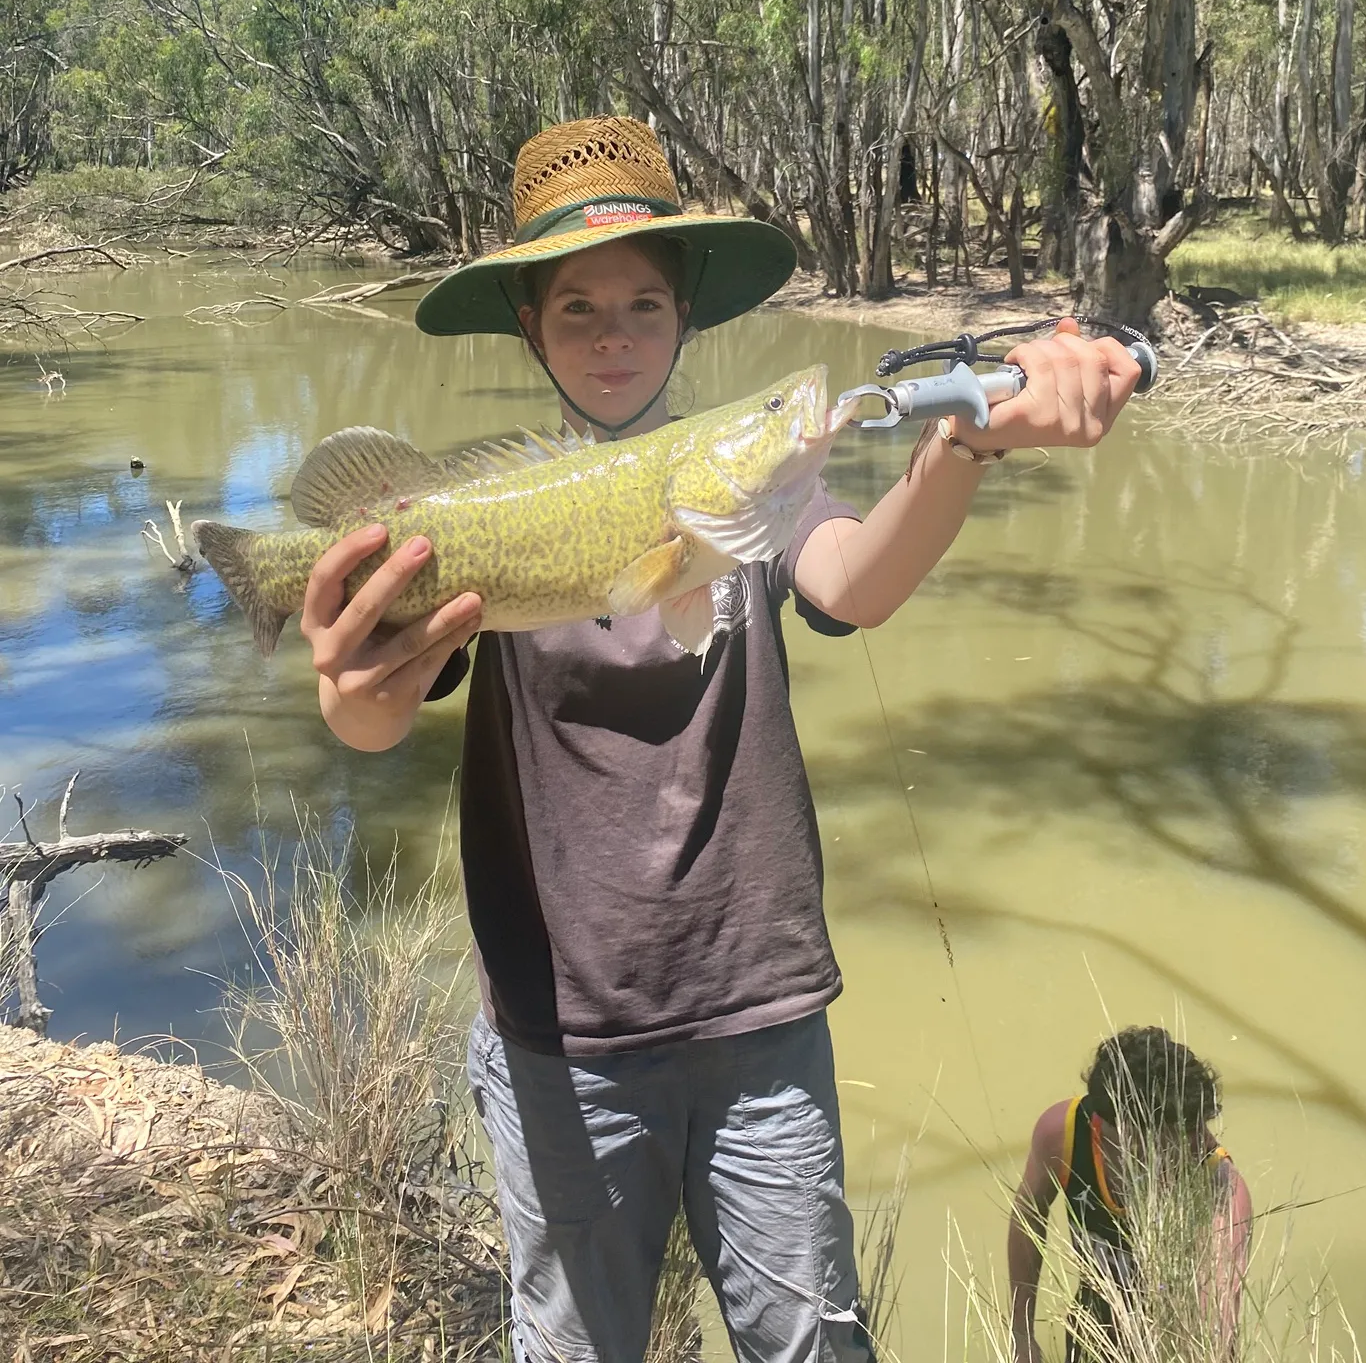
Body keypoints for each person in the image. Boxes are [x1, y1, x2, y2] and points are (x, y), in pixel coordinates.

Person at [299, 117, 1142, 1363]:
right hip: (563, 1034)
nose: (613, 332)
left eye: (644, 302)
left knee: (810, 1343)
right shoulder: (495, 509)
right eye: (577, 307)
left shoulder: (750, 490)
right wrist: (349, 665)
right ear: (530, 327)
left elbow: (854, 580)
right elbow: (367, 720)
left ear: (684, 318)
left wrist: (963, 441)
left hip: (761, 1010)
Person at [1008, 1027, 1253, 1363]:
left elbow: (1216, 1330)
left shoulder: (1219, 1188)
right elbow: (1027, 1218)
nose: (1197, 1141)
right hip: (1091, 1334)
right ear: (1122, 1131)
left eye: (1196, 1127)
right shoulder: (1064, 1133)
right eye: (1177, 1133)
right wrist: (1021, 1337)